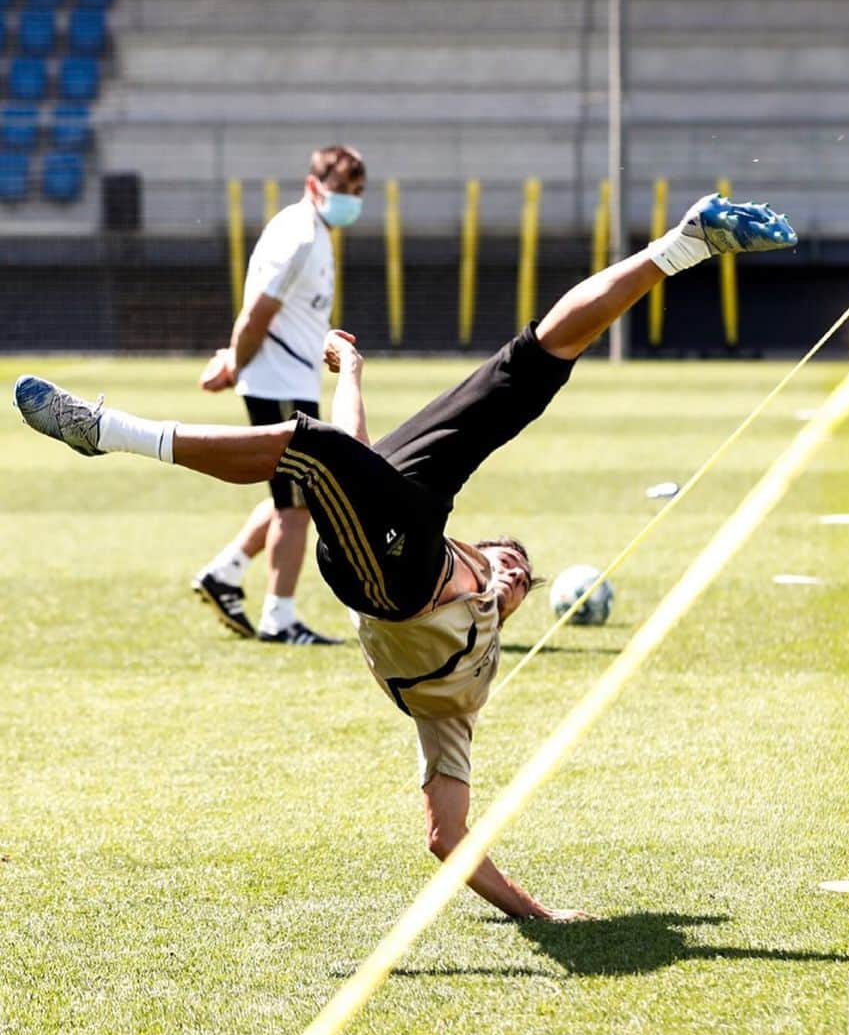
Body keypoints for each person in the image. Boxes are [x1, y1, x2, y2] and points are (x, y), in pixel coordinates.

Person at [14, 192, 797, 919]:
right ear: (483, 549)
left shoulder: (459, 703)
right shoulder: (440, 529)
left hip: (387, 584)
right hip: (414, 528)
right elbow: (366, 453)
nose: (518, 572)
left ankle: (111, 434)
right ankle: (684, 243)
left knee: (313, 449)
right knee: (525, 371)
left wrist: (538, 912)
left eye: (523, 577)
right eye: (514, 561)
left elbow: (446, 838)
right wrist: (352, 371)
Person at [192, 143, 367, 645]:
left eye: (357, 194)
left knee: (292, 489)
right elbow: (258, 313)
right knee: (300, 505)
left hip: (290, 380)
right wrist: (233, 362)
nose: (351, 202)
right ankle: (280, 617)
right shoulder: (299, 235)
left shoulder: (311, 229)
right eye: (343, 192)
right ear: (315, 186)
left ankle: (225, 573)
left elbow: (290, 314)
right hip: (280, 385)